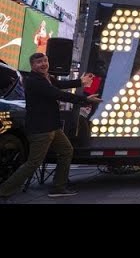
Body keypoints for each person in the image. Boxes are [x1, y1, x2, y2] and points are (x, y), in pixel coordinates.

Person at [0, 53, 101, 199]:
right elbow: (58, 94)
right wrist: (84, 99)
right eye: (39, 62)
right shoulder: (35, 81)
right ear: (32, 66)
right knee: (33, 162)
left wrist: (80, 82)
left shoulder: (46, 77)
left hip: (52, 127)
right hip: (40, 129)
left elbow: (61, 85)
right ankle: (4, 190)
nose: (43, 64)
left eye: (45, 60)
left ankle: (58, 187)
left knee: (66, 150)